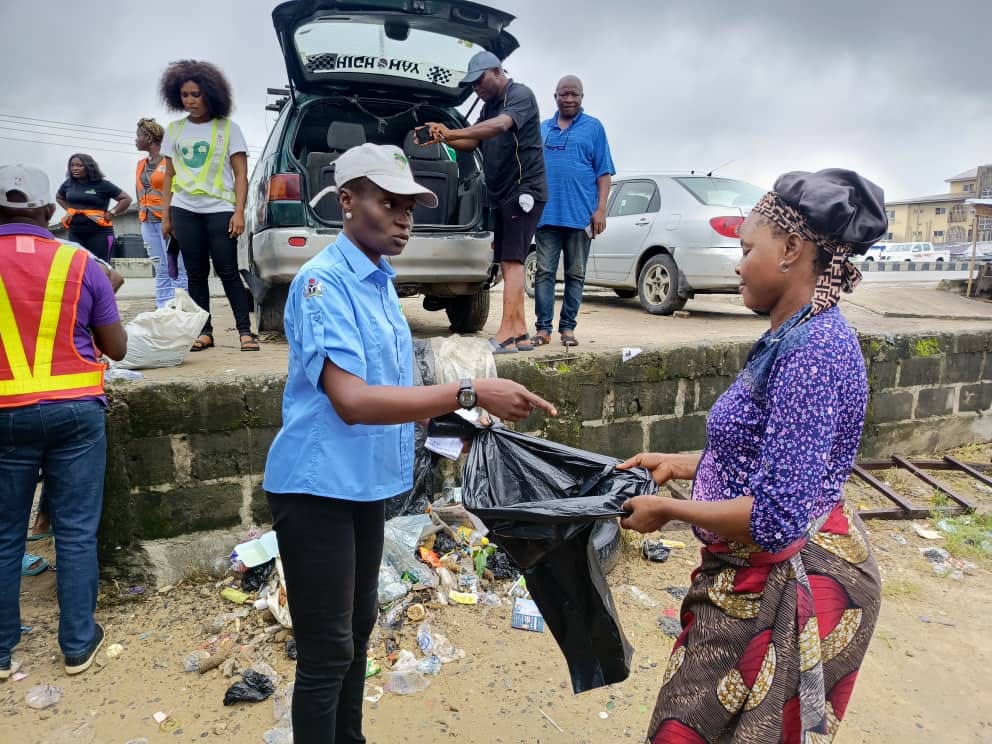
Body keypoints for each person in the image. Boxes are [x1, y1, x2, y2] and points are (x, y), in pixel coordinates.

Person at [263, 143, 557, 743]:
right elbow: (351, 399)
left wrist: (465, 424)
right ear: (346, 202)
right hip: (317, 487)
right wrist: (469, 392)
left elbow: (395, 396)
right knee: (326, 650)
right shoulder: (323, 284)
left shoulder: (379, 286)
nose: (403, 217)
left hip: (368, 483)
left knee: (360, 628)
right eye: (388, 202)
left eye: (410, 206)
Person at [618, 169, 887, 743]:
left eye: (746, 249)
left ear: (790, 249)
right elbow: (767, 453)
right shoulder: (793, 335)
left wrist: (670, 511)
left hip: (785, 581)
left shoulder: (813, 352)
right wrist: (682, 464)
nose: (739, 264)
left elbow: (774, 516)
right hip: (757, 570)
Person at [0, 164, 127, 680]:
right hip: (76, 410)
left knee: (6, 534)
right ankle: (77, 643)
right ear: (49, 212)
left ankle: (3, 649)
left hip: (5, 412)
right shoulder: (79, 262)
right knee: (75, 532)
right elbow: (116, 347)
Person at [422, 50, 547, 353]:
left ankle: (505, 334)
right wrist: (445, 137)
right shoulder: (489, 106)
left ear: (496, 71)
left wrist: (453, 130)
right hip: (503, 193)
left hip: (524, 190)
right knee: (508, 261)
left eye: (479, 81)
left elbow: (499, 127)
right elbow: (472, 142)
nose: (476, 88)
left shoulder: (520, 95)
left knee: (513, 262)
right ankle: (519, 333)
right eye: (473, 85)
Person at [158, 59, 257, 352]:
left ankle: (245, 331)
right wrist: (166, 216)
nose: (190, 100)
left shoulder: (229, 128)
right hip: (184, 209)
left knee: (227, 271)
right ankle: (204, 332)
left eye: (196, 94)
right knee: (196, 274)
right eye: (185, 95)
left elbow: (241, 174)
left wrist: (239, 212)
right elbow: (168, 177)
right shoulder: (174, 130)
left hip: (220, 210)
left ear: (211, 95)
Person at [532, 75, 614, 348]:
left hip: (581, 217)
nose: (569, 99)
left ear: (582, 97)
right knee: (544, 272)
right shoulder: (542, 129)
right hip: (546, 216)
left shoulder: (594, 128)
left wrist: (601, 209)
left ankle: (567, 328)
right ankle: (543, 329)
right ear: (554, 96)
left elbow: (604, 173)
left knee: (575, 274)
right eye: (564, 94)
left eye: (575, 94)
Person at [135, 117, 187, 308]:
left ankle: (181, 308)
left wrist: (171, 218)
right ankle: (163, 308)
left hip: (169, 221)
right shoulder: (141, 164)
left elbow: (176, 189)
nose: (136, 140)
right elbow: (139, 192)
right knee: (160, 268)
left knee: (178, 267)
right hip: (147, 222)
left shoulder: (170, 161)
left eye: (138, 135)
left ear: (149, 138)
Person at [56, 154, 132, 262]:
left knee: (101, 267)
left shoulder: (103, 185)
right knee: (78, 266)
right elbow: (59, 197)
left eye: (79, 165)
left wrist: (111, 213)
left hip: (99, 234)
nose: (74, 168)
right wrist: (69, 210)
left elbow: (126, 199)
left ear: (89, 167)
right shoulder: (68, 184)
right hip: (75, 232)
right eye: (72, 165)